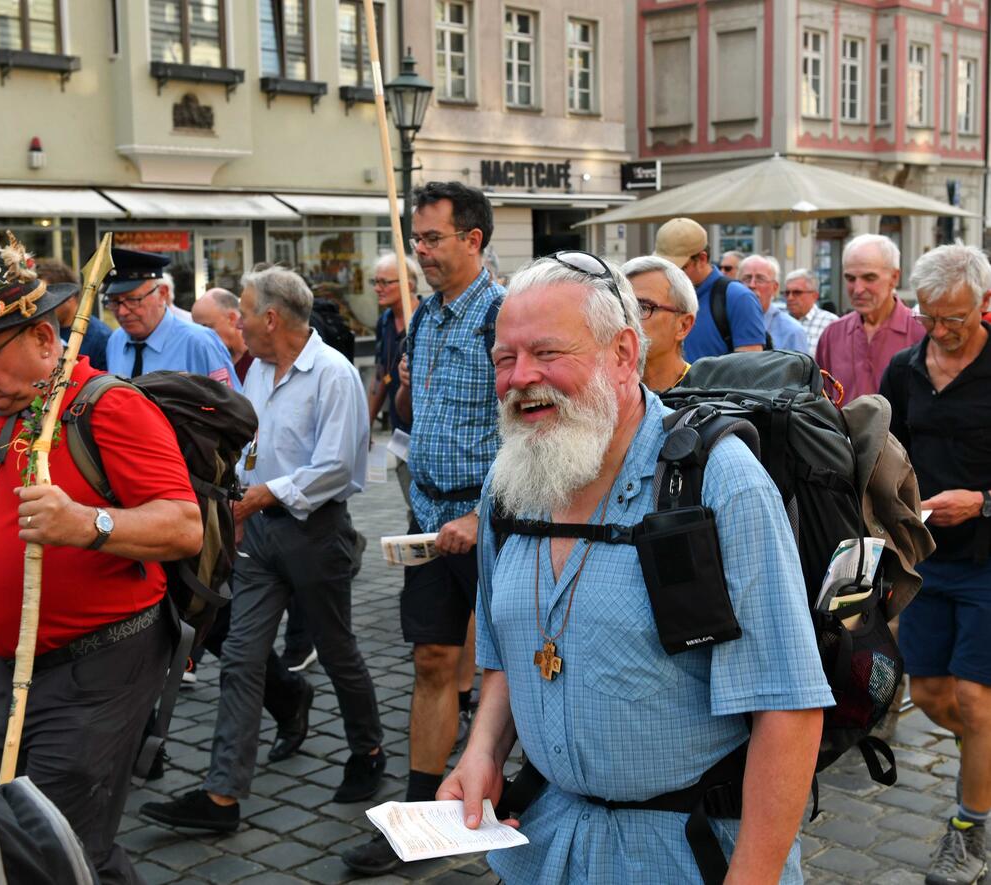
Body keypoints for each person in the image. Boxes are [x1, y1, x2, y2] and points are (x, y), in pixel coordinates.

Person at [437, 253, 831, 882]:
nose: (519, 378)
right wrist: (483, 749)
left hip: (685, 853)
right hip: (544, 843)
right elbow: (507, 649)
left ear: (623, 353)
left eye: (546, 353)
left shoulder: (719, 482)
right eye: (504, 359)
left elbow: (787, 709)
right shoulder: (510, 482)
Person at [0, 236, 202, 885]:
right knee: (52, 838)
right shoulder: (1, 415)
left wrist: (84, 523)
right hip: (13, 668)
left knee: (52, 848)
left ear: (39, 334)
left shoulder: (108, 406)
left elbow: (184, 524)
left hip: (96, 668)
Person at [139, 267, 385, 832]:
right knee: (243, 658)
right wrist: (237, 503)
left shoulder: (333, 374)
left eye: (244, 313)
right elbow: (250, 449)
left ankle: (368, 751)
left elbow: (339, 466)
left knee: (337, 647)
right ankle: (222, 796)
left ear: (271, 318)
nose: (238, 324)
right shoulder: (258, 375)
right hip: (258, 533)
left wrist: (260, 498)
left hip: (315, 532)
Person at [343, 182, 502, 875]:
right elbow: (415, 415)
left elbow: (532, 438)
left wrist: (480, 513)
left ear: (473, 240)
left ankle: (526, 792)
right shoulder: (427, 317)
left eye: (433, 239)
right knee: (432, 660)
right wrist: (407, 388)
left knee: (516, 670)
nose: (421, 253)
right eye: (418, 239)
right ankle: (421, 818)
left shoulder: (506, 318)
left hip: (497, 520)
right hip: (430, 512)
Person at [879, 243, 991, 885]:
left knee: (976, 700)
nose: (942, 330)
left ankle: (969, 832)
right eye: (930, 317)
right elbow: (888, 448)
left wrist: (982, 503)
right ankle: (983, 761)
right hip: (923, 560)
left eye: (955, 318)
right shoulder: (904, 367)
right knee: (930, 695)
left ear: (981, 304)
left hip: (986, 561)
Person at [102, 248, 237, 386]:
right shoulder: (116, 341)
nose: (122, 311)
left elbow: (229, 404)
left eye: (133, 300)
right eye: (114, 302)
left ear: (162, 294)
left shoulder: (199, 343)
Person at [816, 233, 925, 405]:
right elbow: (821, 402)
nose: (858, 289)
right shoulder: (832, 335)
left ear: (894, 278)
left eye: (869, 278)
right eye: (850, 278)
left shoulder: (922, 332)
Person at [653, 218, 765, 361]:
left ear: (702, 259)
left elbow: (750, 369)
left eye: (678, 267)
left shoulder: (738, 298)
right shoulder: (662, 294)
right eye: (663, 267)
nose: (669, 274)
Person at [621, 254, 697, 391]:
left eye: (643, 308)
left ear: (683, 326)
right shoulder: (601, 394)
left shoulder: (707, 397)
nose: (626, 318)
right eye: (620, 306)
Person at [368, 251, 420, 433]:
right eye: (375, 282)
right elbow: (381, 375)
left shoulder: (426, 320)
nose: (377, 288)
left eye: (384, 282)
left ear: (408, 285)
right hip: (398, 430)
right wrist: (368, 423)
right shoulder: (384, 322)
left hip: (422, 431)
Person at [34, 259, 111, 371]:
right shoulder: (43, 331)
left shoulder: (101, 338)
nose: (41, 306)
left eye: (46, 298)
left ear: (68, 296)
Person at [738, 255, 810, 354]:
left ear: (775, 288)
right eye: (746, 278)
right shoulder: (725, 322)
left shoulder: (792, 332)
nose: (752, 285)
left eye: (760, 279)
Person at [192, 287, 253, 382]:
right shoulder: (206, 360)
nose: (201, 336)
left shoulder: (257, 359)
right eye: (197, 330)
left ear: (232, 319)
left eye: (207, 327)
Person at [782, 268, 835, 353]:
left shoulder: (830, 323)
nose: (790, 298)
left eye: (797, 292)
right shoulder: (779, 321)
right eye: (787, 293)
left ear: (814, 295)